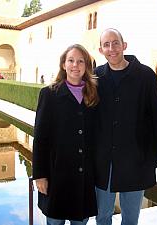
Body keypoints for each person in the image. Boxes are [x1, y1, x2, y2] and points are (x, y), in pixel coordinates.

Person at [94, 28, 157, 225]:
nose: (111, 48)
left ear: (124, 45)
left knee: (131, 219)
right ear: (101, 50)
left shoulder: (147, 76)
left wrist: (153, 160)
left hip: (136, 161)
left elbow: (156, 121)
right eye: (106, 44)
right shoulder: (96, 76)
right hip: (104, 163)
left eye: (115, 43)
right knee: (103, 216)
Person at [33, 44, 99, 225]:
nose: (75, 65)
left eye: (80, 61)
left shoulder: (93, 94)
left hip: (83, 176)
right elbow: (40, 138)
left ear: (86, 66)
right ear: (63, 64)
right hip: (56, 175)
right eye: (71, 60)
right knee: (55, 222)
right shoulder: (49, 94)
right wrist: (39, 175)